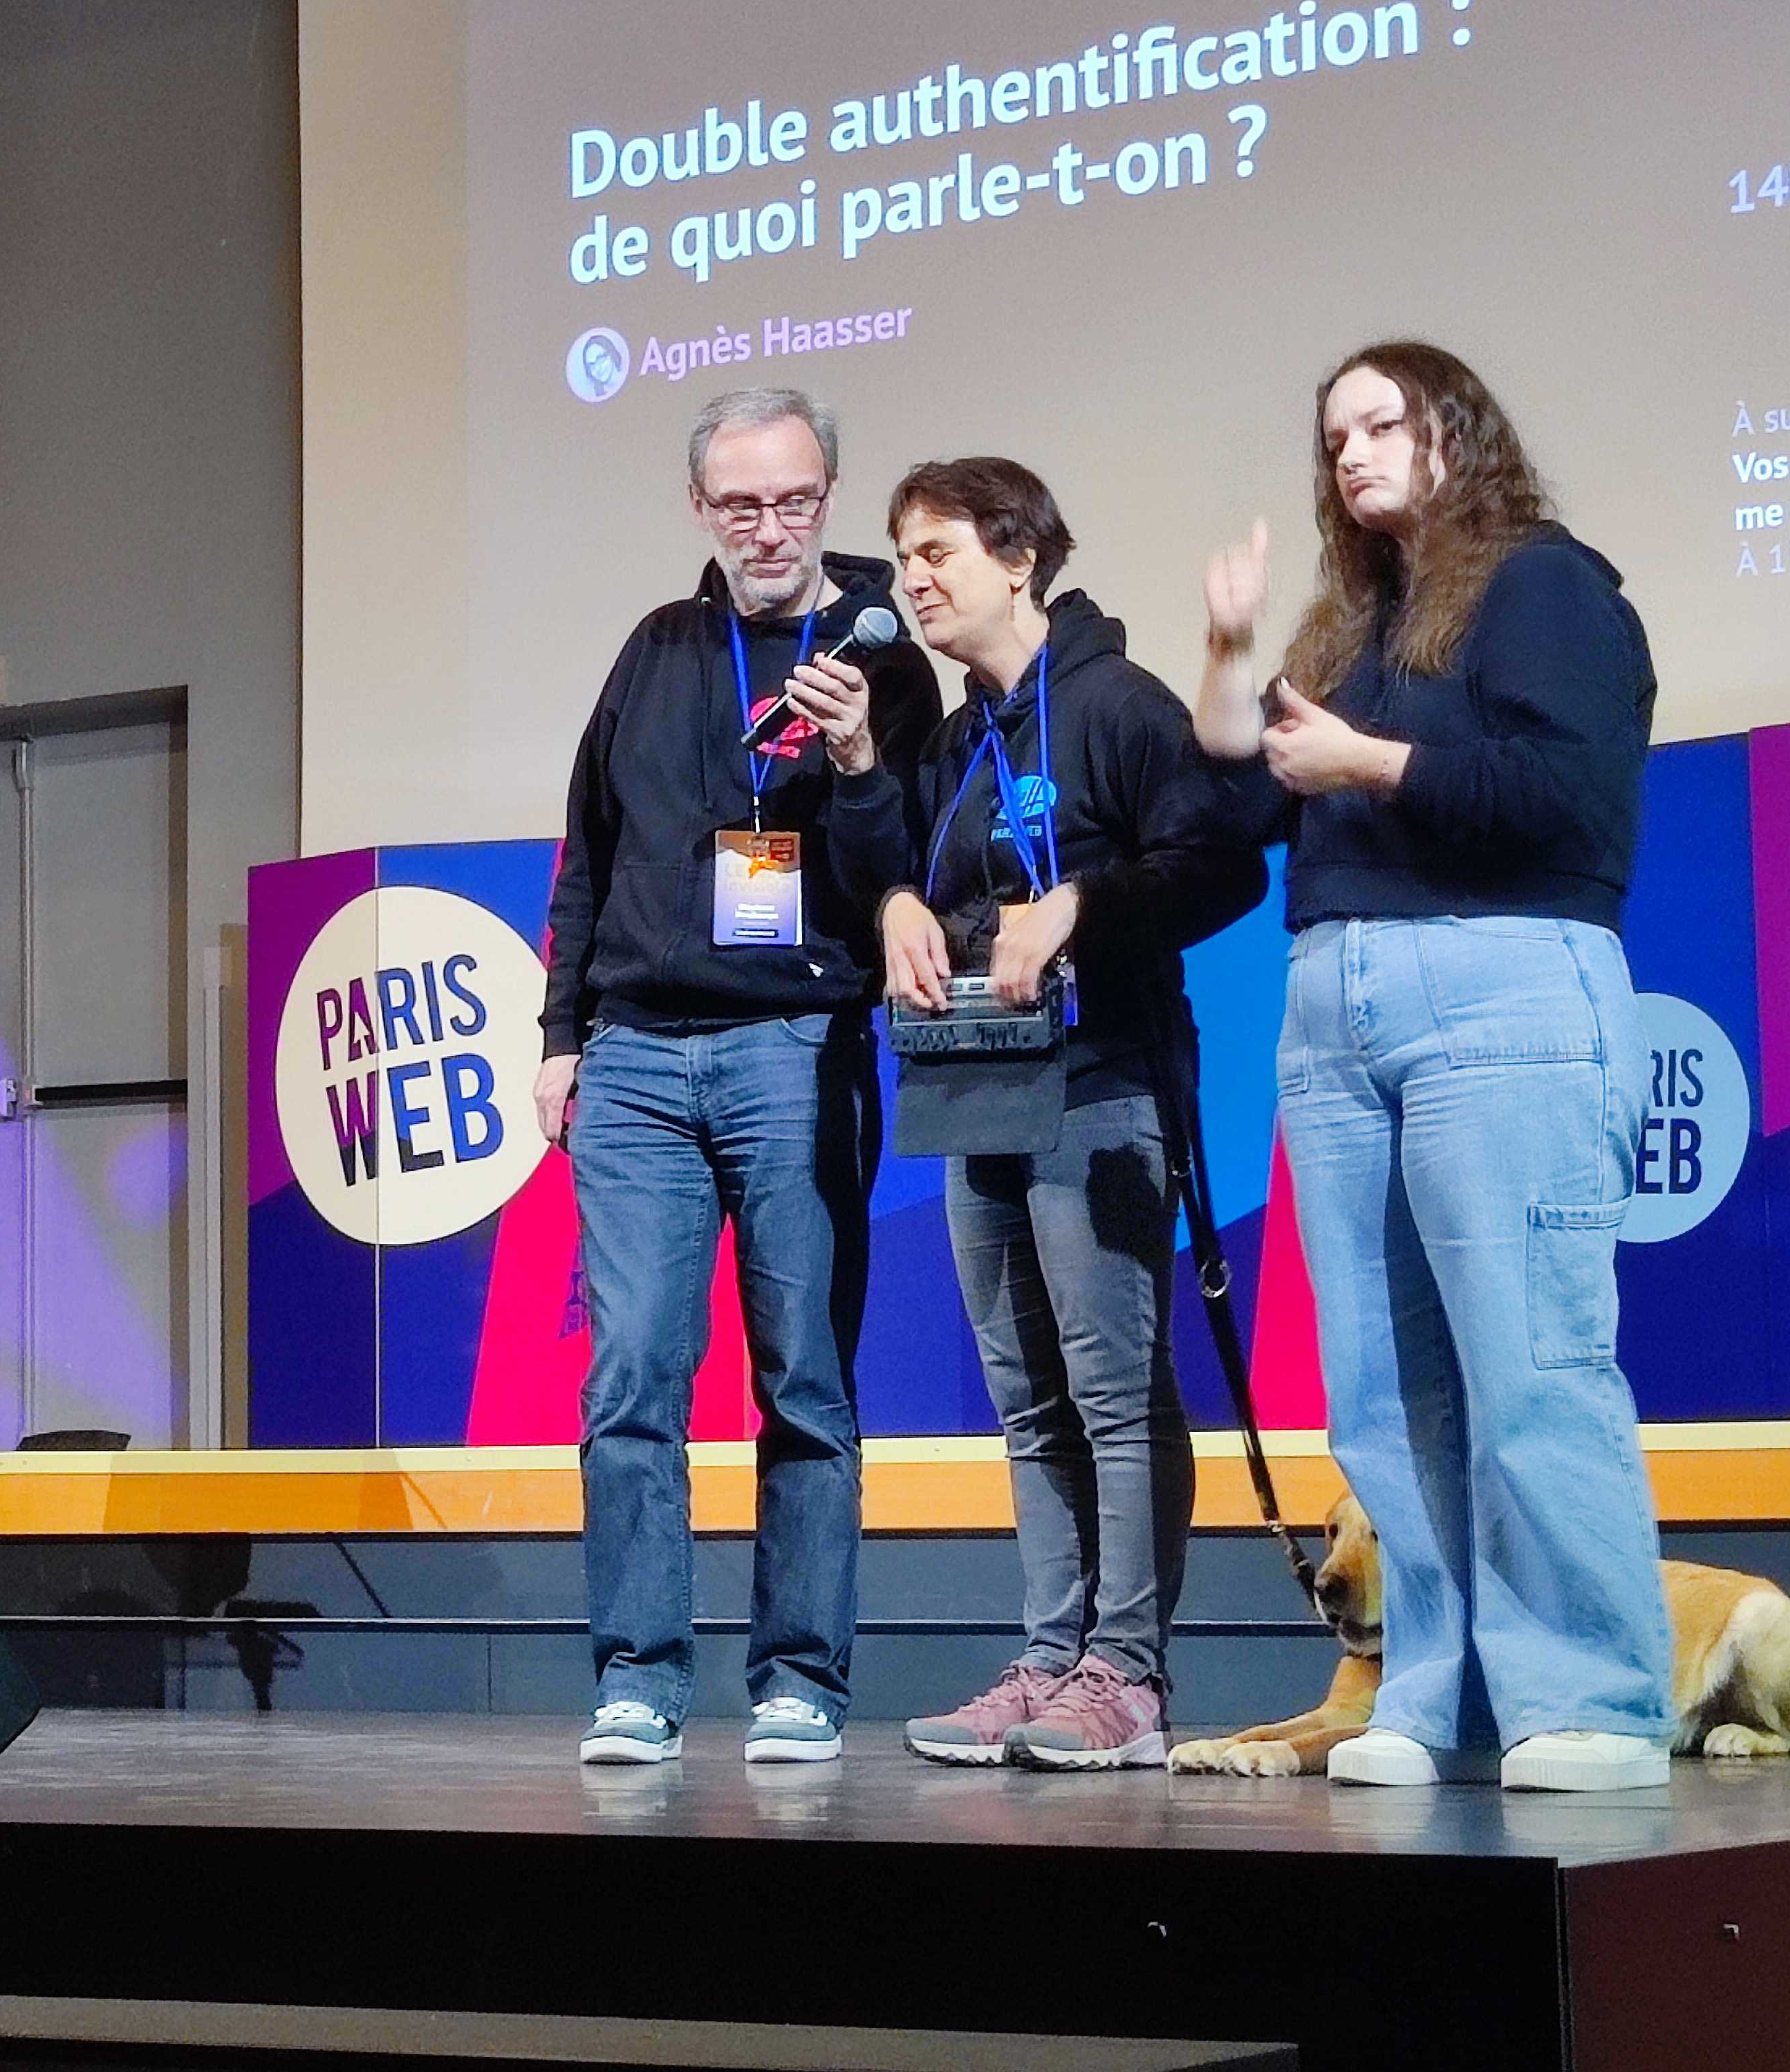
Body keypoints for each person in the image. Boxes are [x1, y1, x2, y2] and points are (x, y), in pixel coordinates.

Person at [1190, 341, 1675, 1792]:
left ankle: (1590, 1694)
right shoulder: (1353, 629)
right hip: (1337, 1010)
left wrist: (1373, 767)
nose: (1349, 452)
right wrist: (1227, 653)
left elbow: (1565, 790)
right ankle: (1432, 1687)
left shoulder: (1542, 583)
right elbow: (1230, 801)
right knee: (1384, 1388)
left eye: (1380, 423)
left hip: (1501, 982)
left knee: (1527, 1358)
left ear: (1456, 432)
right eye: (1332, 434)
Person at [539, 385, 941, 1764]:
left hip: (797, 1043)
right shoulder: (658, 648)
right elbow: (589, 846)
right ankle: (637, 1677)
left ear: (828, 491)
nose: (768, 526)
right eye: (738, 503)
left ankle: (800, 1679)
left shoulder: (885, 655)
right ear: (700, 507)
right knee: (631, 1376)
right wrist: (559, 1034)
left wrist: (856, 757)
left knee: (804, 1379)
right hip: (639, 1053)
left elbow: (906, 873)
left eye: (793, 498)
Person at [861, 459, 1265, 1771]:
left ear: (1020, 554)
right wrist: (897, 908)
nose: (914, 578)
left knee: (1112, 1391)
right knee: (1024, 1398)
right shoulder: (943, 739)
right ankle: (1051, 1655)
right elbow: (918, 871)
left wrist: (1081, 902)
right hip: (972, 1084)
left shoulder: (1116, 705)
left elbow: (1218, 865)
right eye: (903, 556)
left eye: (938, 552)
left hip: (1100, 1086)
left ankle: (1129, 1675)